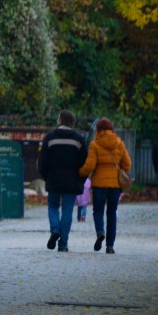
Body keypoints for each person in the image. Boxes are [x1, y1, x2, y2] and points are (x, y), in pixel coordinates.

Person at [37, 109, 88, 253]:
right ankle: (63, 244)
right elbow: (85, 163)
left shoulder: (50, 138)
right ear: (73, 123)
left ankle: (55, 230)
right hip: (72, 181)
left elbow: (42, 162)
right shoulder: (79, 140)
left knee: (53, 206)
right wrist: (80, 180)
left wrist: (47, 177)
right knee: (67, 211)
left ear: (60, 120)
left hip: (53, 179)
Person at [80, 117, 131, 254]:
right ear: (111, 129)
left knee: (98, 211)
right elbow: (127, 163)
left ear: (98, 130)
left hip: (99, 185)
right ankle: (110, 246)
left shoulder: (95, 144)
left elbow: (90, 165)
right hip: (115, 185)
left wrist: (80, 173)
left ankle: (100, 232)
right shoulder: (119, 143)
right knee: (112, 214)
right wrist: (121, 172)